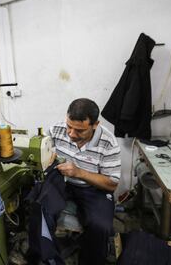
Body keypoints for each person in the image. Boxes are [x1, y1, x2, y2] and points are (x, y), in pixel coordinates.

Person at [49, 98, 121, 265]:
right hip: (62, 183)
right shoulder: (57, 130)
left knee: (100, 226)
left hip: (93, 189)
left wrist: (79, 172)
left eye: (80, 131)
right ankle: (45, 257)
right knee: (40, 209)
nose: (71, 134)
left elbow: (112, 183)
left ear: (95, 125)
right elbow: (42, 150)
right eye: (69, 127)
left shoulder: (108, 143)